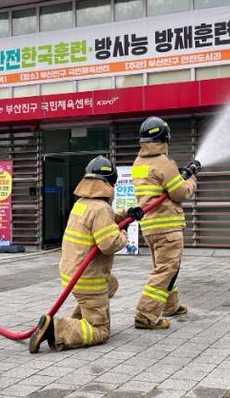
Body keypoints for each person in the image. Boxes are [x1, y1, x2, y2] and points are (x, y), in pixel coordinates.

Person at [30, 155, 144, 353]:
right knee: (100, 330)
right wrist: (124, 233)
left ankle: (79, 319)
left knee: (112, 284)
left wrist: (128, 213)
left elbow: (106, 219)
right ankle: (56, 329)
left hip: (72, 274)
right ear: (109, 184)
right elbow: (110, 244)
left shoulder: (82, 203)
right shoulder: (101, 209)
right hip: (89, 279)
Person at [132, 117, 198, 329]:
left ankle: (170, 305)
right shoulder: (163, 163)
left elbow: (160, 187)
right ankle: (146, 315)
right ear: (164, 138)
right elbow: (180, 192)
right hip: (167, 227)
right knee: (166, 269)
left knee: (165, 267)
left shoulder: (138, 163)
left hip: (150, 227)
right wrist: (191, 179)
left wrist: (178, 176)